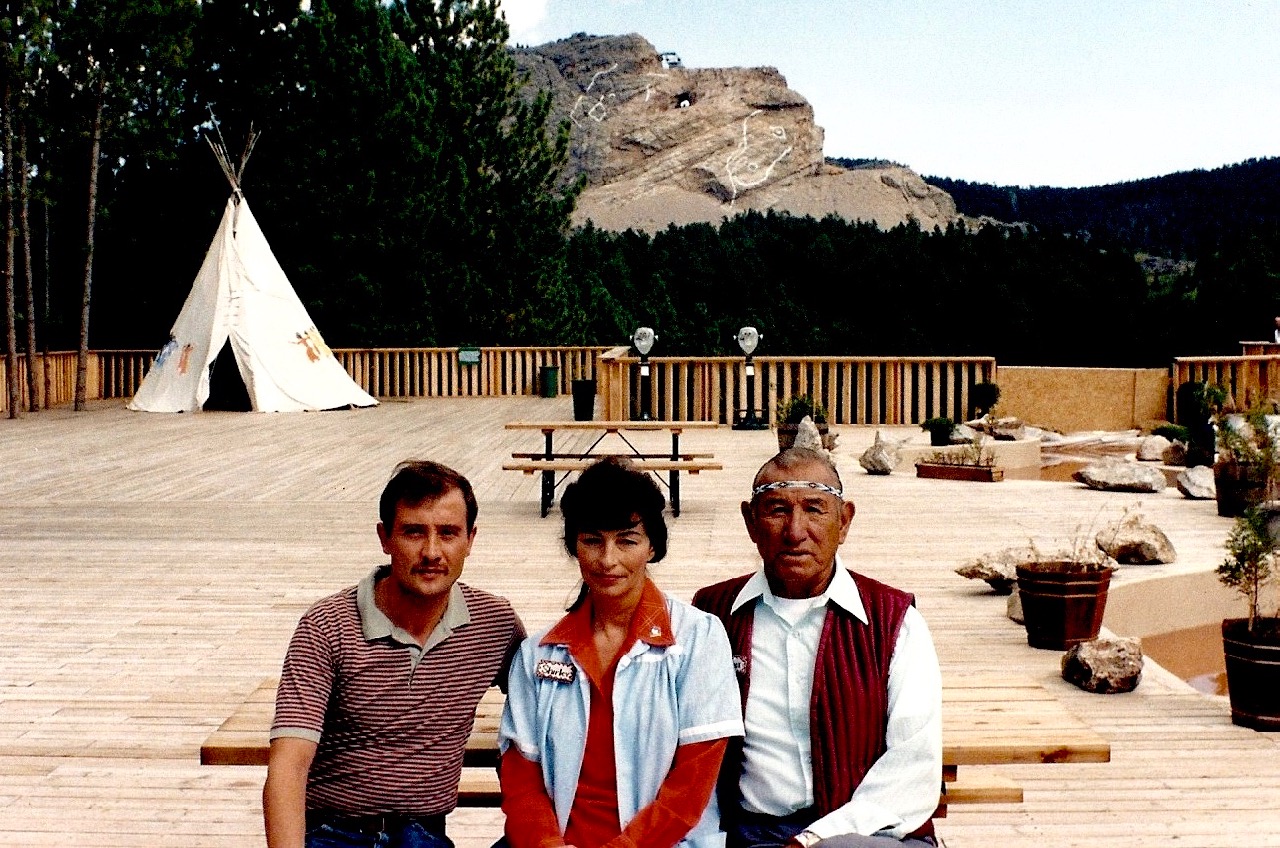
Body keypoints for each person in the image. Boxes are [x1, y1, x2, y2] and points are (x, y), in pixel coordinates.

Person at [264, 460, 526, 848]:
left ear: (470, 540)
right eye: (414, 532)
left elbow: (549, 703)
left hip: (425, 836)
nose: (432, 551)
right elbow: (289, 765)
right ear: (385, 538)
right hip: (333, 834)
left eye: (448, 533)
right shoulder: (326, 626)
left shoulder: (494, 624)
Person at [692, 448, 942, 848]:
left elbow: (913, 765)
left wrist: (816, 838)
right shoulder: (712, 617)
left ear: (844, 521)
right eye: (776, 510)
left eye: (815, 509)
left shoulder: (893, 621)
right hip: (748, 835)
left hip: (865, 836)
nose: (795, 531)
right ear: (750, 522)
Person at [498, 456, 744, 848]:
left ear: (652, 547)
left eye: (627, 540)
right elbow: (521, 779)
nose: (607, 559)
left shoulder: (699, 638)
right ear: (574, 546)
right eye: (592, 539)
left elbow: (691, 785)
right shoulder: (536, 654)